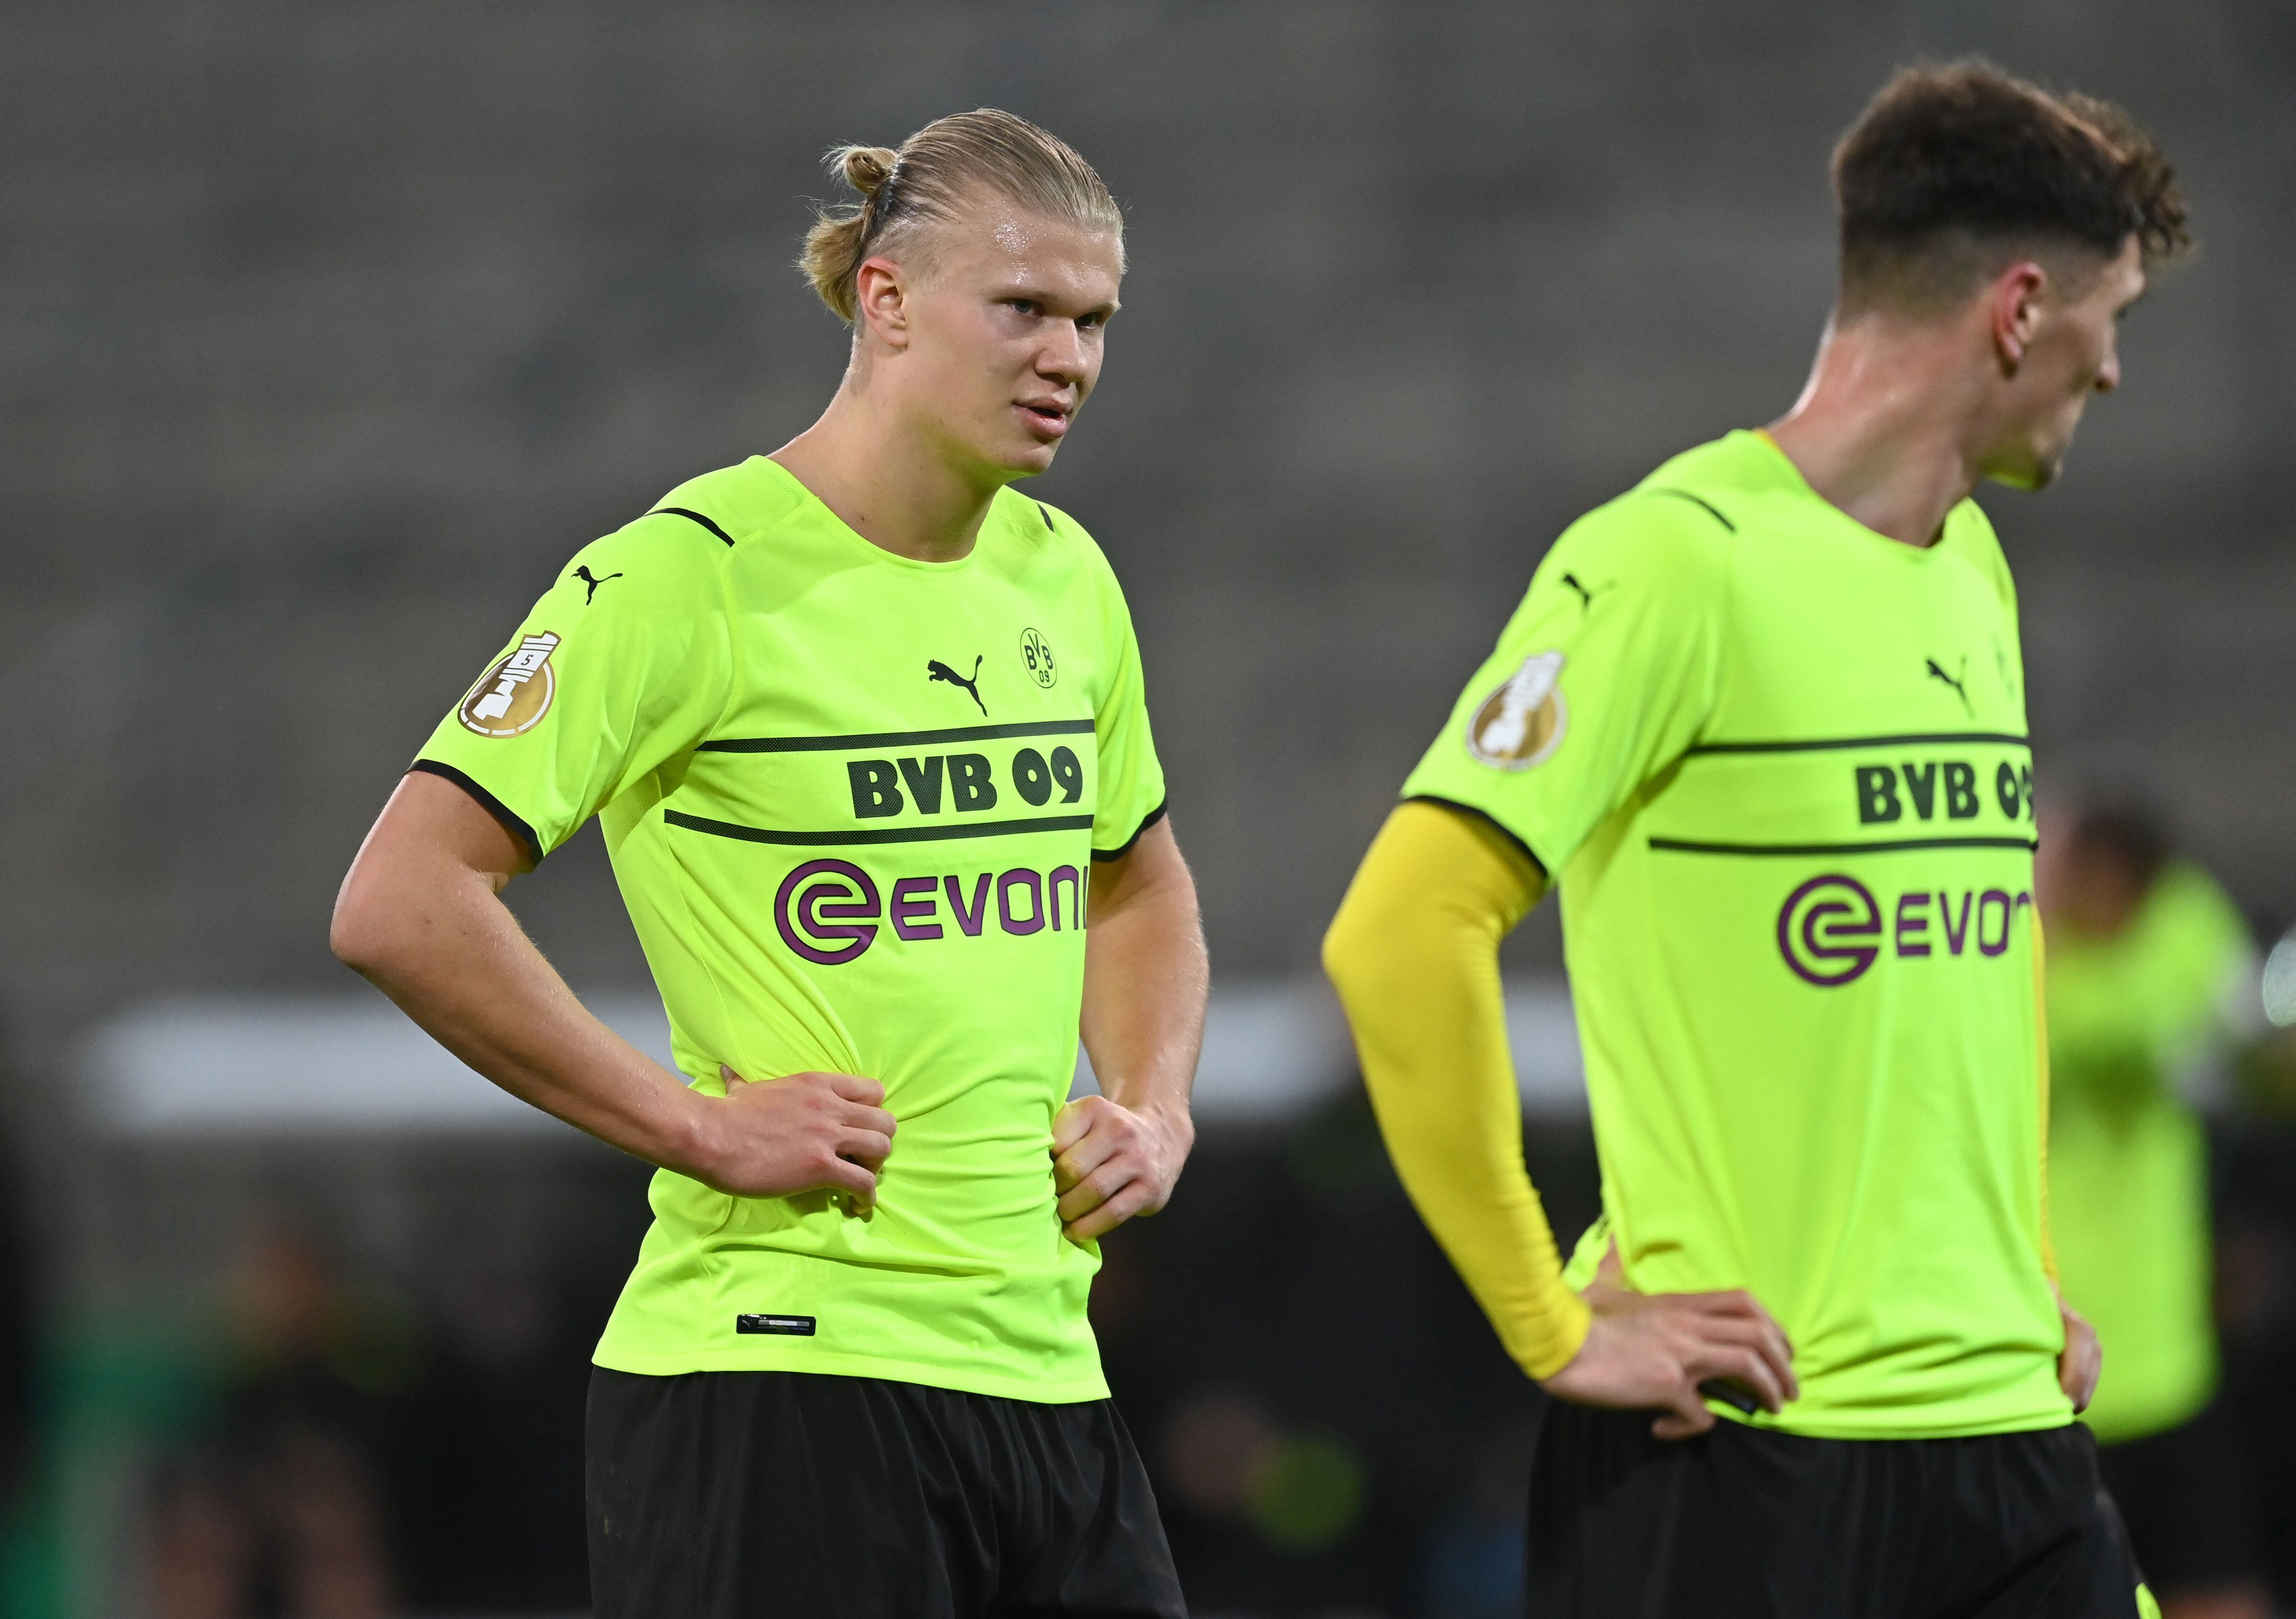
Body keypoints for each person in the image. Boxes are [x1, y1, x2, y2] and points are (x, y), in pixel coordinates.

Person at [1323, 62, 2187, 1618]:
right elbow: (1396, 931)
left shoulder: (1966, 573)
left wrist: (2024, 1265)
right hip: (1745, 1445)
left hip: (2006, 1434)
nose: (2110, 370)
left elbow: (1977, 959)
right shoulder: (1670, 563)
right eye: (2103, 318)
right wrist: (1545, 1317)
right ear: (2013, 309)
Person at [331, 110, 1205, 1619]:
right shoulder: (692, 572)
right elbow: (402, 899)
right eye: (1024, 310)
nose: (1068, 356)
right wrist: (696, 1129)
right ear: (886, 301)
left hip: (1044, 1371)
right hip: (778, 1372)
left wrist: (1152, 1102)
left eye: (1093, 319)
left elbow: (1137, 879)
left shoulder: (1064, 579)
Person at [2039, 802, 2268, 1619]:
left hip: (2169, 1367)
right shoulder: (2031, 973)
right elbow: (2124, 1028)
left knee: (2216, 1593)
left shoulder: (2170, 925)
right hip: (2061, 1378)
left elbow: (2213, 986)